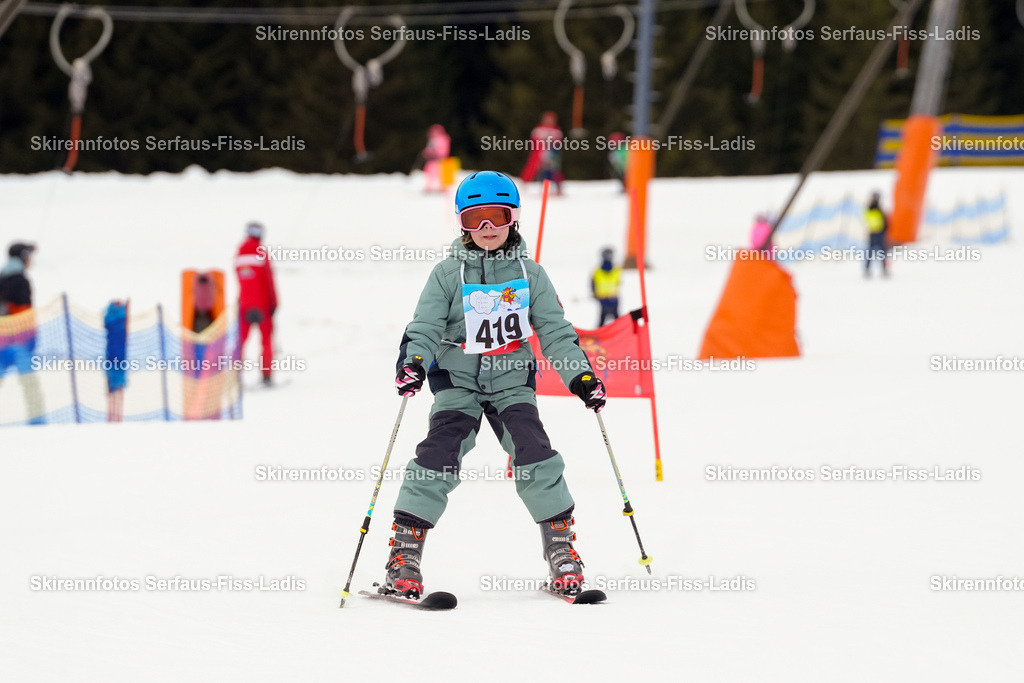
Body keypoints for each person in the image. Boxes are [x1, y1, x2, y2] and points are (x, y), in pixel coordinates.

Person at [386, 171, 606, 599]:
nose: (487, 229)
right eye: (475, 220)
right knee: (439, 452)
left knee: (534, 451)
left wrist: (580, 376)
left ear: (513, 219)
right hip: (457, 380)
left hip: (511, 382)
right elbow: (426, 325)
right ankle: (404, 555)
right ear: (462, 224)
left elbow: (556, 332)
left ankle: (560, 548)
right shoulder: (447, 274)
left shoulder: (531, 275)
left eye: (496, 217)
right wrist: (413, 361)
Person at [0, 242, 46, 424]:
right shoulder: (20, 280)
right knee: (30, 385)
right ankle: (38, 423)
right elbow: (23, 312)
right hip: (18, 343)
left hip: (1, 341)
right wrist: (30, 338)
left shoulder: (2, 277)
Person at [234, 222, 278, 385]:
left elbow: (241, 279)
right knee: (266, 340)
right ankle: (266, 376)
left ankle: (234, 376)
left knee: (240, 341)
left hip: (245, 305)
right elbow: (268, 281)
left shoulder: (239, 255)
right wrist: (274, 303)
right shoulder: (261, 254)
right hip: (263, 306)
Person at [520, 111, 564, 195]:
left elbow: (557, 142)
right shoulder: (539, 129)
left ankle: (557, 189)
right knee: (536, 169)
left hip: (552, 154)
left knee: (554, 171)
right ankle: (529, 184)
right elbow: (535, 140)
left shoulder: (556, 130)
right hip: (539, 154)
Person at [591, 247, 621, 327]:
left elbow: (592, 284)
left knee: (611, 321)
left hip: (609, 298)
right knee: (614, 321)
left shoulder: (598, 271)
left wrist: (594, 293)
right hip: (607, 299)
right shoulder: (615, 270)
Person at [864, 192, 890, 278]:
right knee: (881, 252)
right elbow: (882, 221)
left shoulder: (870, 208)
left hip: (874, 233)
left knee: (873, 253)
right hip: (878, 233)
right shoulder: (875, 209)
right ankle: (883, 270)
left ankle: (868, 270)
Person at [421, 124, 451, 193]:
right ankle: (443, 188)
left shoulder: (435, 140)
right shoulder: (445, 139)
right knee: (441, 175)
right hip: (441, 160)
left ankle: (429, 188)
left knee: (432, 174)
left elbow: (432, 150)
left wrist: (426, 153)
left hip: (435, 160)